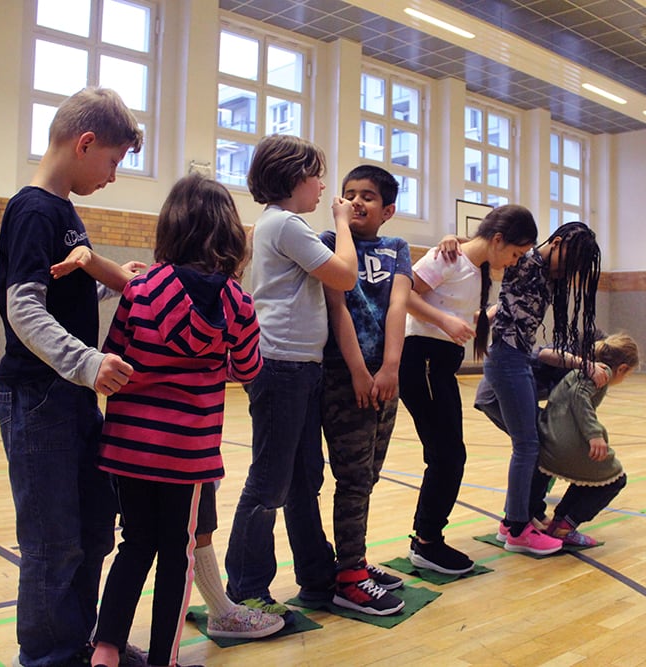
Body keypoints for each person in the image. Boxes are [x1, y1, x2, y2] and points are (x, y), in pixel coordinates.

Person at [50, 173, 282, 667]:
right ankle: (165, 659)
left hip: (128, 448)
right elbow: (249, 368)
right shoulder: (237, 301)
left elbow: (113, 357)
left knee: (135, 544)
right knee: (177, 556)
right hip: (188, 454)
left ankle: (107, 647)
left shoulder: (141, 289)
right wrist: (213, 362)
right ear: (228, 234)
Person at [0, 87, 145, 667]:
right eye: (111, 162)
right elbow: (25, 307)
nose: (111, 176)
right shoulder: (34, 209)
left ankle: (81, 645)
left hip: (70, 397)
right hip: (40, 397)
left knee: (91, 533)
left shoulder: (62, 211)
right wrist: (87, 362)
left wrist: (108, 280)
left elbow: (60, 289)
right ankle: (51, 657)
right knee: (53, 543)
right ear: (85, 144)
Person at [224, 134, 358, 618]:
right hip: (281, 366)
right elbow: (345, 274)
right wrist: (341, 223)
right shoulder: (285, 224)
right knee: (270, 481)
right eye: (317, 175)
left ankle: (316, 575)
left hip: (299, 366)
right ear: (295, 178)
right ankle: (246, 587)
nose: (324, 185)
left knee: (304, 477)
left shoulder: (279, 225)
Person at [399, 205, 537, 575]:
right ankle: (427, 543)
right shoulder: (448, 257)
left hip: (441, 366)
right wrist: (444, 321)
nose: (513, 262)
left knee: (449, 456)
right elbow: (404, 295)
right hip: (423, 360)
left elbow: (454, 310)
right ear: (497, 239)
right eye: (514, 253)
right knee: (446, 457)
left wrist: (481, 318)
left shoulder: (474, 271)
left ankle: (427, 539)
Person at [477, 221, 607, 556]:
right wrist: (452, 241)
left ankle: (514, 521)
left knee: (531, 445)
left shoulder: (550, 274)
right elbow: (485, 246)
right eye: (571, 260)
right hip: (507, 360)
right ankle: (518, 529)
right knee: (528, 446)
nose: (570, 270)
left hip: (516, 359)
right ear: (558, 242)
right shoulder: (524, 258)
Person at [319, 165, 412, 616]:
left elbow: (398, 306)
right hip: (345, 376)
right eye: (349, 194)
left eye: (368, 196)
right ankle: (349, 575)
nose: (357, 201)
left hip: (386, 377)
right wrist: (358, 369)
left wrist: (391, 367)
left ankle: (353, 562)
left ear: (388, 209)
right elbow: (337, 306)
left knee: (370, 475)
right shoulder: (328, 243)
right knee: (353, 479)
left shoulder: (397, 249)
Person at [530, 332, 640, 546]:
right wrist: (594, 435)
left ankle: (558, 522)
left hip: (549, 439)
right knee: (615, 479)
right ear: (622, 369)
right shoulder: (603, 372)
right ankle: (565, 527)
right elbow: (578, 396)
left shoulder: (586, 369)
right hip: (562, 444)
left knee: (593, 478)